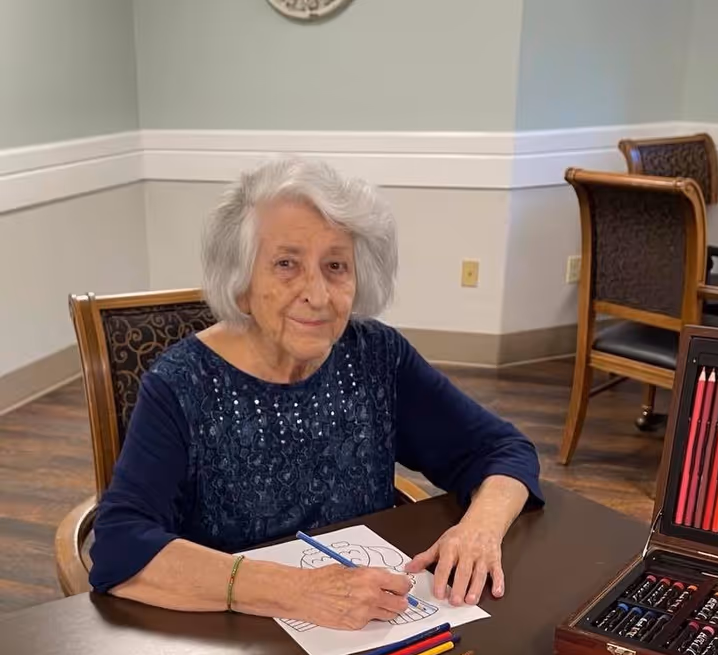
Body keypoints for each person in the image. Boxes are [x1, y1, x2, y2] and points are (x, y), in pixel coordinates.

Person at [88, 157, 543, 630]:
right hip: (231, 643)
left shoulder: (375, 356)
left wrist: (479, 530)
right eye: (286, 264)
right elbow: (122, 547)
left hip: (366, 632)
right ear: (242, 283)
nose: (318, 294)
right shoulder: (181, 384)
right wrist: (297, 591)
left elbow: (501, 450)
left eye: (336, 266)